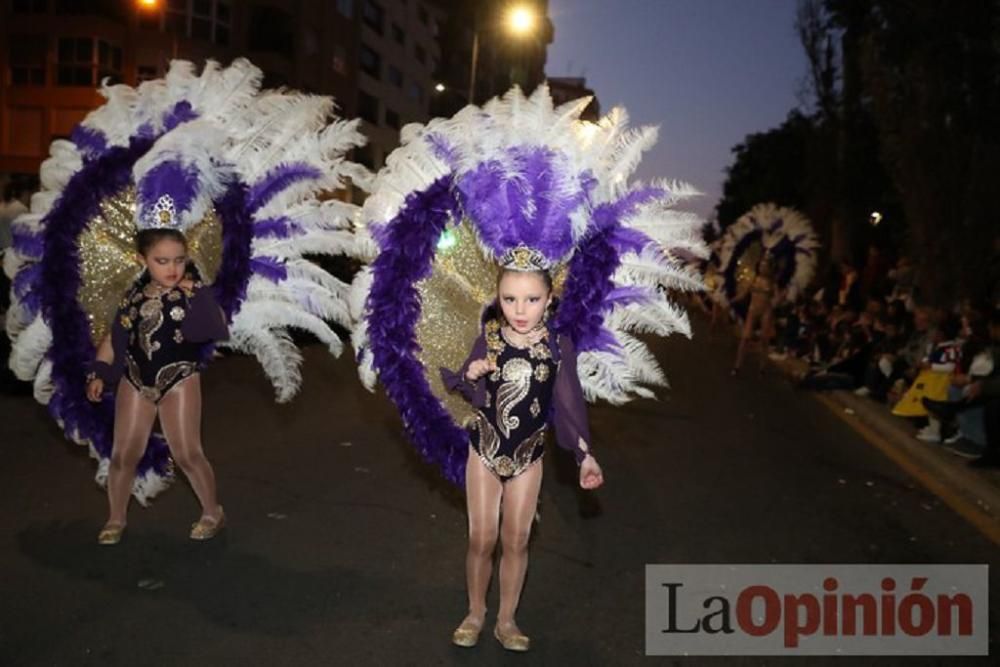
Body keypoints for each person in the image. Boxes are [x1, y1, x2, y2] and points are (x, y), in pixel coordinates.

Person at [441, 250, 604, 651]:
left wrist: (585, 455)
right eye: (510, 298)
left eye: (531, 299)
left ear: (549, 299)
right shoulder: (490, 336)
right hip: (484, 450)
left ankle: (506, 620)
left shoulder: (556, 346)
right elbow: (467, 384)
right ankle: (475, 612)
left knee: (516, 540)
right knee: (482, 538)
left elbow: (568, 404)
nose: (520, 309)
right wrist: (472, 373)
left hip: (528, 457)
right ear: (497, 295)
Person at [86, 227, 228, 544]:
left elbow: (217, 326)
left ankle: (211, 511)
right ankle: (115, 517)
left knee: (188, 453)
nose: (172, 268)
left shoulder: (190, 294)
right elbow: (113, 339)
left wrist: (201, 294)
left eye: (179, 260)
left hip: (179, 379)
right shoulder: (133, 298)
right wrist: (98, 372)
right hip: (135, 379)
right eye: (161, 260)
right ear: (142, 260)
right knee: (123, 455)